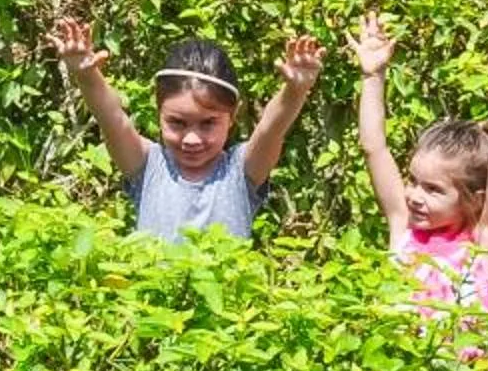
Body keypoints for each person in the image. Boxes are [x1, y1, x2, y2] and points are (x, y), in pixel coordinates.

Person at [54, 21, 324, 241]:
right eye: (177, 123)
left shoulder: (242, 172)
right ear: (158, 113)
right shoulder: (147, 165)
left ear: (232, 117)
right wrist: (86, 75)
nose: (192, 139)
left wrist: (296, 90)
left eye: (208, 123)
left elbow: (271, 129)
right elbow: (112, 119)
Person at [350, 14, 488, 327]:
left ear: (475, 199)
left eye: (433, 189)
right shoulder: (403, 225)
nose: (415, 196)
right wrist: (372, 76)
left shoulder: (482, 238)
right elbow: (373, 147)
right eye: (413, 181)